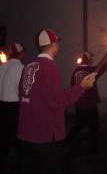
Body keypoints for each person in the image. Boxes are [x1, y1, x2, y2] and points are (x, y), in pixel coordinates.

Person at [17, 29, 97, 174]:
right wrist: (82, 87)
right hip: (45, 136)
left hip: (25, 134)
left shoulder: (28, 66)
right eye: (57, 43)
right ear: (54, 45)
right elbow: (58, 101)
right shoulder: (50, 67)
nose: (58, 46)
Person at [67, 51, 107, 155]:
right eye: (91, 59)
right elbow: (102, 69)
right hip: (90, 105)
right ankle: (93, 150)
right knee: (94, 128)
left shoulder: (75, 71)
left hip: (80, 105)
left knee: (77, 126)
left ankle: (67, 144)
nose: (92, 60)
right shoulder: (91, 70)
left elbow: (72, 86)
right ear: (89, 60)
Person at [0, 43, 25, 171]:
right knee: (15, 133)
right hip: (13, 105)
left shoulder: (2, 66)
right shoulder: (20, 67)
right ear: (20, 54)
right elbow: (22, 89)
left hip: (2, 104)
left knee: (4, 133)